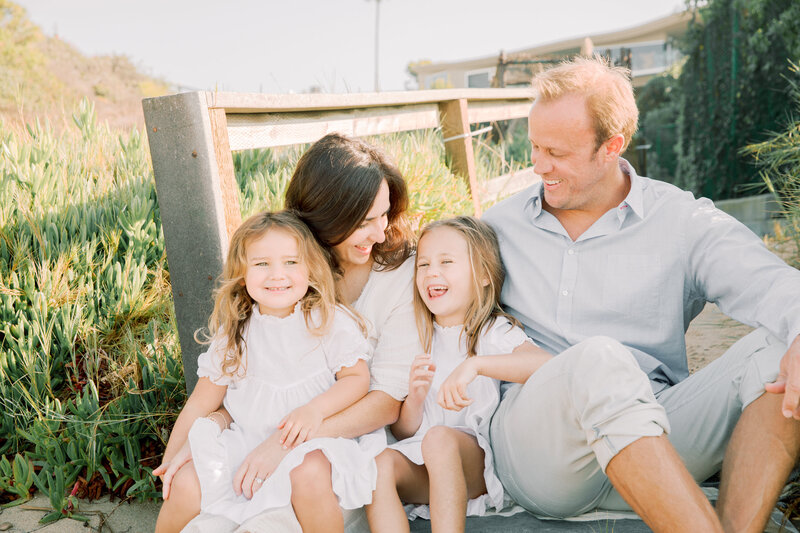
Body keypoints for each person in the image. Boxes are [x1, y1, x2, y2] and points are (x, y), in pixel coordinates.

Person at [483, 56, 800, 532]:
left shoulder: (681, 221)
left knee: (784, 350)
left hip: (656, 438)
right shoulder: (496, 226)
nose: (538, 165)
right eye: (534, 146)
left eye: (558, 152)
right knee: (598, 359)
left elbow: (771, 282)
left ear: (612, 146)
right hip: (542, 455)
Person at [156, 133, 422, 532]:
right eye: (364, 222)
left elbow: (384, 401)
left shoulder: (391, 282)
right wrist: (196, 442)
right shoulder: (284, 276)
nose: (381, 234)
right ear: (324, 218)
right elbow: (239, 390)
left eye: (383, 216)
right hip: (255, 443)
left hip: (328, 453)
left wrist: (282, 444)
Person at [154, 210, 380, 532]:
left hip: (312, 441)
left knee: (310, 471)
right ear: (242, 274)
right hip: (246, 441)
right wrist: (170, 462)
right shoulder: (236, 332)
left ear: (310, 269)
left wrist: (314, 410)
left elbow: (357, 379)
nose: (277, 275)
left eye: (291, 262)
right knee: (187, 483)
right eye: (262, 264)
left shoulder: (327, 320)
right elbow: (201, 403)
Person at [366, 217, 552, 532]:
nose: (431, 272)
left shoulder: (489, 332)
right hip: (423, 457)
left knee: (439, 440)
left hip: (473, 461)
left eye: (446, 262)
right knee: (378, 466)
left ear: (482, 275)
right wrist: (414, 399)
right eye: (422, 265)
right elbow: (404, 432)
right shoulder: (417, 335)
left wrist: (476, 365)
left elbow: (545, 365)